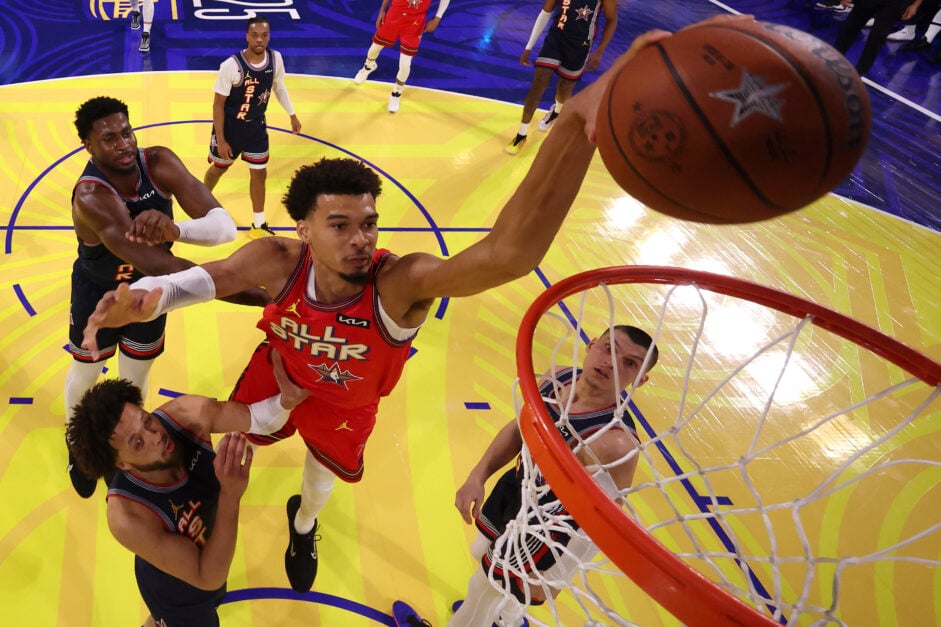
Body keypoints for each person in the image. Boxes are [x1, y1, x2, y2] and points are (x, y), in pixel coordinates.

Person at [79, 23, 679, 594]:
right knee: (239, 437)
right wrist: (146, 298)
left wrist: (575, 125)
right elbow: (202, 282)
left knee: (318, 483)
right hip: (279, 369)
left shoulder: (400, 283)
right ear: (304, 229)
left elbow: (509, 253)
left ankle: (304, 526)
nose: (361, 238)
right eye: (339, 225)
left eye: (368, 222)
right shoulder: (275, 259)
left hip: (346, 401)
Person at [66, 96, 267, 499]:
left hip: (152, 296)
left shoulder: (157, 162)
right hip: (101, 295)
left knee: (136, 373)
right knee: (88, 373)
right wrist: (262, 296)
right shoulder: (92, 196)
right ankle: (78, 445)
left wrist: (177, 231)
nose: (123, 144)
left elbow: (222, 226)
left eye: (126, 132)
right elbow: (162, 265)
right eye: (108, 139)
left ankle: (128, 443)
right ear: (88, 146)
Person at [65, 350, 310, 627]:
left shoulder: (185, 415)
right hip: (178, 594)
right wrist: (230, 496)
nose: (156, 436)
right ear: (121, 464)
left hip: (206, 550)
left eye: (147, 420)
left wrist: (285, 402)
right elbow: (207, 576)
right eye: (138, 443)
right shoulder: (127, 517)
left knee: (206, 599)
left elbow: (259, 418)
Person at [451, 325, 659, 626]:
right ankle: (506, 617)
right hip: (519, 484)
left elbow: (604, 522)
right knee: (480, 552)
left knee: (484, 585)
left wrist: (558, 573)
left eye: (630, 363)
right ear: (590, 345)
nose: (612, 362)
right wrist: (477, 476)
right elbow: (517, 429)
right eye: (609, 348)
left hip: (551, 524)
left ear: (640, 380)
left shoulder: (615, 443)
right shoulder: (556, 377)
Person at [203, 16, 302, 237]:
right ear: (247, 36)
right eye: (255, 35)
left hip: (256, 127)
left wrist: (292, 114)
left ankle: (258, 223)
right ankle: (201, 200)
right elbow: (218, 105)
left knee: (259, 173)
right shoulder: (231, 66)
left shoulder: (275, 59)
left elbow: (279, 88)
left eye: (264, 35)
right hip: (230, 128)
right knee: (219, 168)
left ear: (269, 36)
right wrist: (221, 139)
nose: (260, 40)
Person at [505, 0, 618, 156]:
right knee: (539, 82)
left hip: (580, 46)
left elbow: (612, 19)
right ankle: (521, 134)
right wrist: (529, 47)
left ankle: (556, 111)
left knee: (565, 88)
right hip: (555, 40)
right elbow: (545, 13)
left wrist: (600, 51)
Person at [352, 0, 451, 113]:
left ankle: (396, 93)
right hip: (394, 15)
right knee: (374, 48)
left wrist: (437, 18)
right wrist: (382, 11)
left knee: (405, 64)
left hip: (414, 22)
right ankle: (369, 66)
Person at [834, 0, 924, 75]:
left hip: (895, 3)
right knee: (850, 27)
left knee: (877, 38)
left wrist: (915, 5)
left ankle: (859, 73)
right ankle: (832, 59)